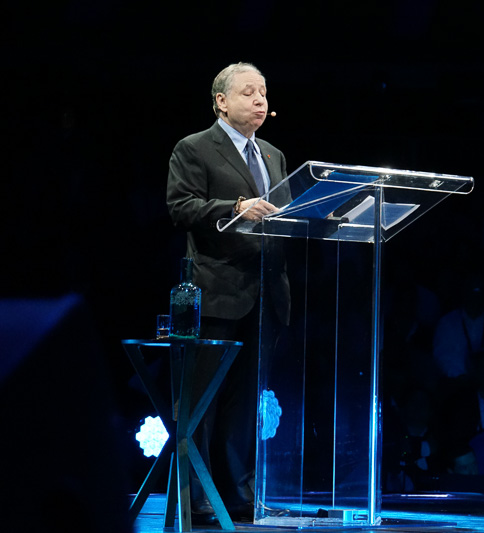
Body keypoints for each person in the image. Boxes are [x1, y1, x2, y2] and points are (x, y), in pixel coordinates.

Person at [166, 62, 290, 524]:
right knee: (205, 399)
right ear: (221, 101)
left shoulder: (273, 154)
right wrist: (235, 207)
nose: (260, 100)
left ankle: (238, 493)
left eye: (263, 92)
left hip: (266, 293)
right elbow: (181, 207)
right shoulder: (194, 148)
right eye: (248, 92)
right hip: (217, 292)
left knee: (245, 402)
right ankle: (195, 496)